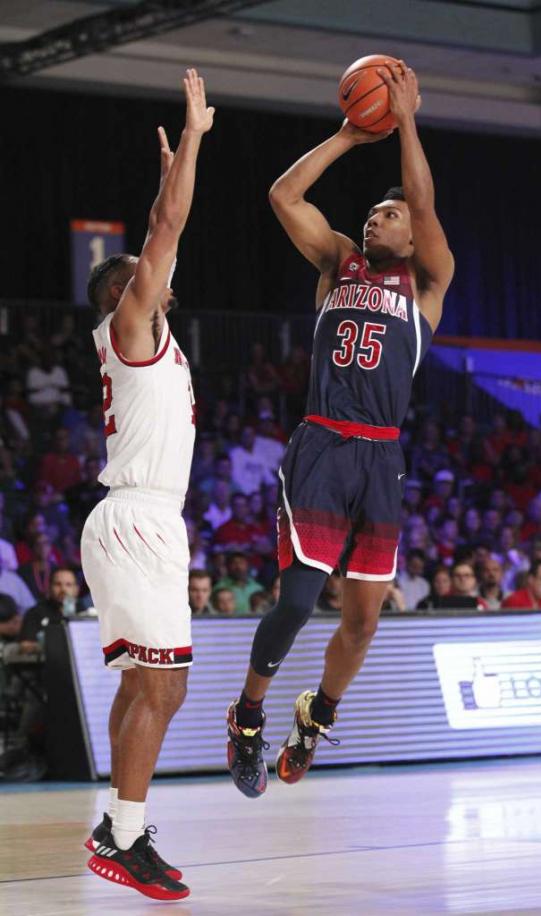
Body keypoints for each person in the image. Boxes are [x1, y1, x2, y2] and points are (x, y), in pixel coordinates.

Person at [226, 60, 454, 797]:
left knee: (362, 621)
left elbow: (420, 197)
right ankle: (248, 719)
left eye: (389, 216)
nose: (376, 219)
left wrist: (408, 120)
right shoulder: (336, 263)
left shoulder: (426, 282)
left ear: (415, 235)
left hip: (381, 458)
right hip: (324, 442)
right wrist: (350, 137)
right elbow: (281, 194)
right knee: (297, 600)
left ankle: (315, 718)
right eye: (373, 215)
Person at [80, 70, 213, 901]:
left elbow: (170, 226)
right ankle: (121, 838)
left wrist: (172, 174)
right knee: (162, 684)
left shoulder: (147, 335)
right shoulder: (130, 326)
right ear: (128, 293)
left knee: (153, 682)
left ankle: (117, 828)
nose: (167, 276)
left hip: (148, 521)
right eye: (151, 274)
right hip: (136, 519)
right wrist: (194, 138)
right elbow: (167, 227)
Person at [19, 567, 81, 652]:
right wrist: (51, 646)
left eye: (68, 585)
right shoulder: (35, 613)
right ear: (49, 588)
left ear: (76, 590)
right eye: (58, 584)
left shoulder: (84, 611)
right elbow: (24, 646)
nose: (63, 589)